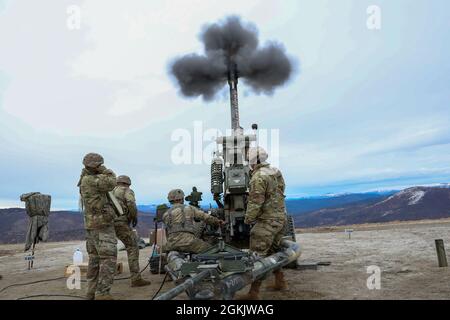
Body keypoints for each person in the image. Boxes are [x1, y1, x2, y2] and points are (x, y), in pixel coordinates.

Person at [238, 146, 288, 300]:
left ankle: (253, 294)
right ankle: (280, 282)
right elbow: (282, 190)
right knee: (274, 252)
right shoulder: (275, 171)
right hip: (281, 219)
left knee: (256, 258)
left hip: (266, 222)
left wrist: (248, 220)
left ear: (252, 161)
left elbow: (255, 202)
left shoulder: (257, 177)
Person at [78, 153, 117, 300]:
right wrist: (106, 170)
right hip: (102, 225)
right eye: (100, 164)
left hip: (91, 226)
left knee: (94, 259)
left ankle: (91, 292)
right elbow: (112, 182)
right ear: (96, 165)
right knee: (108, 258)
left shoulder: (84, 179)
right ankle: (103, 293)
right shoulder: (92, 180)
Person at [112, 175, 150, 287]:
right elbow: (131, 204)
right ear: (128, 183)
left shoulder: (111, 191)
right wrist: (134, 217)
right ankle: (136, 278)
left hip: (108, 223)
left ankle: (108, 275)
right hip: (121, 222)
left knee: (109, 249)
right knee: (133, 246)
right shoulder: (126, 190)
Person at [162, 189, 224, 253]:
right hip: (189, 242)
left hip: (171, 244)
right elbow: (205, 217)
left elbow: (167, 232)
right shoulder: (189, 208)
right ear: (181, 198)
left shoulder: (165, 214)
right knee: (212, 250)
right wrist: (218, 222)